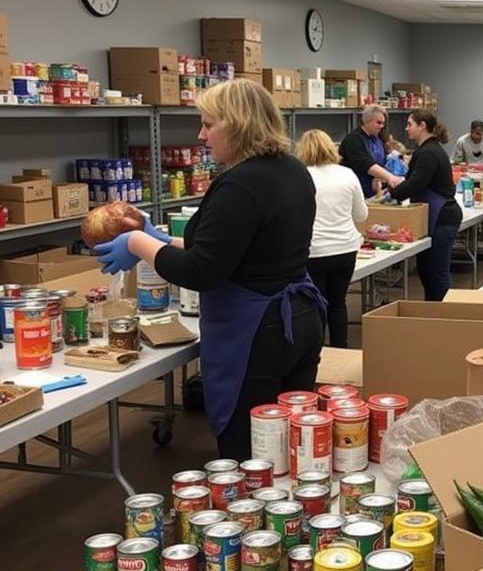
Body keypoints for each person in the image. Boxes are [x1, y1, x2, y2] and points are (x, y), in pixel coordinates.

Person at [94, 78, 325, 458]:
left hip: (257, 333)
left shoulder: (240, 184)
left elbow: (203, 272)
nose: (201, 135)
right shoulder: (291, 170)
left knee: (249, 451)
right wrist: (163, 240)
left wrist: (137, 242)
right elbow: (240, 249)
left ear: (238, 124)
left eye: (208, 124)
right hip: (299, 320)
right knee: (292, 446)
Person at [296, 128, 367, 349]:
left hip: (313, 251)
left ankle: (315, 353)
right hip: (346, 249)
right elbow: (361, 215)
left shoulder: (301, 176)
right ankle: (340, 350)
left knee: (315, 305)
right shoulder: (347, 174)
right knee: (338, 303)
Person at [388, 110, 460, 301]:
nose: (406, 128)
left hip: (442, 218)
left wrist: (391, 194)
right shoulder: (426, 149)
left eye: (410, 124)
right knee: (428, 273)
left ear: (422, 126)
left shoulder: (429, 152)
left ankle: (444, 318)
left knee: (436, 274)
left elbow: (416, 183)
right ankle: (432, 315)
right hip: (434, 216)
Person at [340, 105, 402, 198]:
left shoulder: (378, 138)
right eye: (378, 123)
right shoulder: (353, 140)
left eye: (383, 123)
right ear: (366, 121)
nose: (381, 126)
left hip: (375, 191)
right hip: (356, 192)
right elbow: (366, 164)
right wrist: (390, 177)